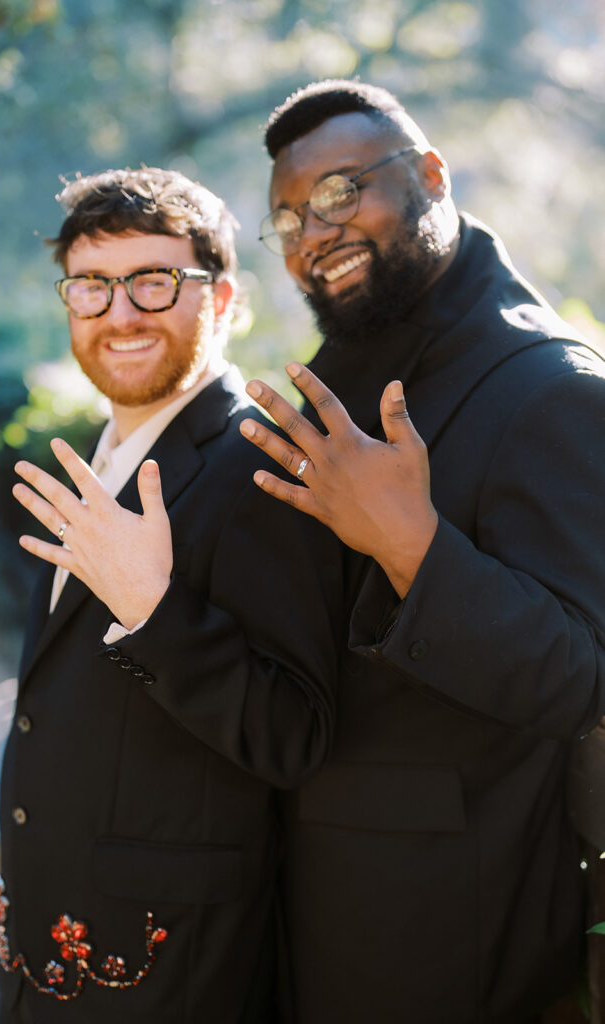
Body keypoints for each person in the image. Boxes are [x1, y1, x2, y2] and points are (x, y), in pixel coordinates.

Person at [239, 79, 605, 1023]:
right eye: (286, 220)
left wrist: (414, 549)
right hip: (295, 891)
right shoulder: (350, 376)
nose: (311, 233)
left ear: (429, 175)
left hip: (439, 933)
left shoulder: (549, 387)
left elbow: (579, 678)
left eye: (339, 191)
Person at [0, 166, 341, 1023]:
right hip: (42, 943)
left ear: (224, 300)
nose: (119, 314)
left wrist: (152, 610)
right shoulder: (95, 453)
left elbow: (292, 735)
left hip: (168, 970)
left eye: (153, 282)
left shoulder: (261, 466)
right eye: (92, 286)